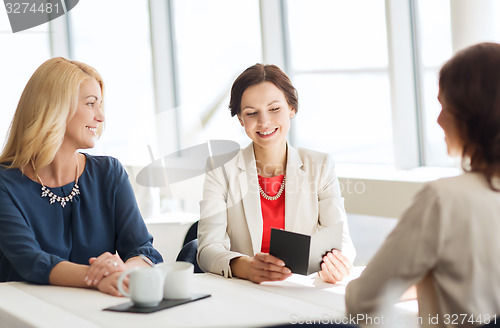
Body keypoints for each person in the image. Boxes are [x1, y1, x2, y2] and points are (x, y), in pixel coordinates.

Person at [345, 42, 500, 327]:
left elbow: (362, 301)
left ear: (471, 115)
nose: (438, 119)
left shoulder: (444, 199)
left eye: (444, 106)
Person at [0, 57, 162, 296]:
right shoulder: (6, 184)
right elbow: (30, 261)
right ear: (56, 108)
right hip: (27, 312)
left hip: (96, 312)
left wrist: (123, 272)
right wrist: (97, 277)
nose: (100, 116)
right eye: (90, 104)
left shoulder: (110, 174)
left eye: (100, 105)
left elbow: (144, 252)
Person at [197, 64, 356, 284]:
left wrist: (337, 264)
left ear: (291, 108)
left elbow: (342, 241)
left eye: (274, 109)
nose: (264, 122)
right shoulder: (220, 170)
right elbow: (206, 250)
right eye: (251, 113)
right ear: (241, 120)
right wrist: (246, 266)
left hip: (299, 288)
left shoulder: (320, 165)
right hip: (245, 288)